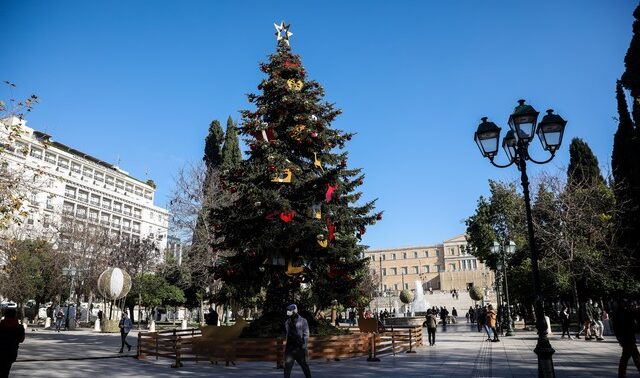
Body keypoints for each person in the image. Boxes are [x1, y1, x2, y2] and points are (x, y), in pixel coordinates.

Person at [612, 299, 640, 376]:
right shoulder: (624, 312)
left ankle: (621, 374)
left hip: (626, 338)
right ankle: (621, 374)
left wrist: (619, 338)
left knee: (635, 356)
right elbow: (633, 323)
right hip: (627, 338)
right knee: (626, 357)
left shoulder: (620, 312)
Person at [284, 304, 311, 378]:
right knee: (287, 367)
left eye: (290, 310)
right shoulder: (287, 322)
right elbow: (287, 334)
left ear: (294, 311)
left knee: (304, 366)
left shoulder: (303, 321)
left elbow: (306, 334)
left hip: (299, 348)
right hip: (290, 348)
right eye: (288, 310)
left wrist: (304, 346)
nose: (288, 312)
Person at [0, 308, 25, 377]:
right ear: (15, 316)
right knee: (5, 371)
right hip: (11, 353)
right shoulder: (20, 327)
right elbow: (21, 339)